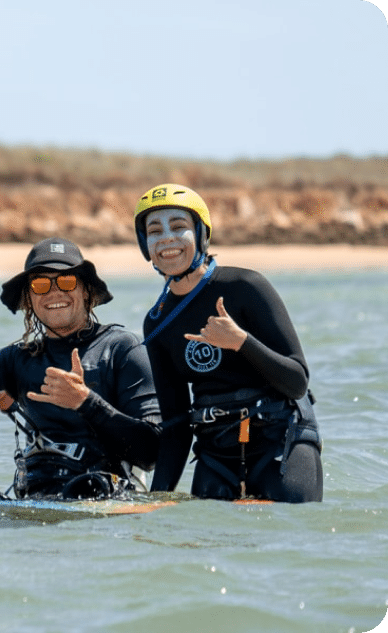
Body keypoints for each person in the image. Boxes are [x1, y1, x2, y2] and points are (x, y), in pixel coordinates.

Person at [0, 237, 161, 499]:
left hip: (103, 502)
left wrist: (85, 402)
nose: (54, 292)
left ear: (86, 290)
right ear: (29, 298)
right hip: (37, 502)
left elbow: (153, 453)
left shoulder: (122, 349)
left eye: (67, 281)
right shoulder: (17, 360)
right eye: (40, 284)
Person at [133, 183, 323, 503]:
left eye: (179, 227)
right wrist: (157, 499)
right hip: (217, 451)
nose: (166, 237)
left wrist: (241, 342)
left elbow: (297, 382)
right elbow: (177, 424)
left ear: (201, 234)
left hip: (280, 436)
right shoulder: (157, 322)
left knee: (288, 527)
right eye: (154, 231)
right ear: (145, 244)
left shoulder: (246, 287)